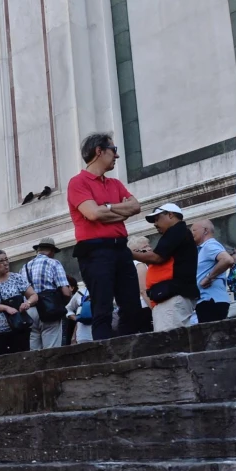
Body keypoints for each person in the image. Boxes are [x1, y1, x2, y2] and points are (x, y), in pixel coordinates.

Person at [67, 132, 144, 340]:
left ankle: (129, 351)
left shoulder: (115, 184)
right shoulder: (78, 182)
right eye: (114, 150)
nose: (117, 156)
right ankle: (105, 355)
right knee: (102, 307)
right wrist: (118, 212)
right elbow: (93, 213)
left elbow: (136, 207)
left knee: (131, 305)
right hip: (95, 251)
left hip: (120, 248)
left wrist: (107, 208)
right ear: (99, 151)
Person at [131, 204, 199, 331]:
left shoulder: (177, 230)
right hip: (170, 297)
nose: (155, 224)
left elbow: (157, 257)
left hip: (173, 297)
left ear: (170, 215)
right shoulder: (177, 233)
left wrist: (129, 254)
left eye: (157, 219)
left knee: (169, 341)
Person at [0, 249, 37, 356]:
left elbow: (33, 295)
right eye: (1, 261)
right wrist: (5, 308)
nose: (5, 263)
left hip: (19, 327)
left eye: (6, 259)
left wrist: (27, 303)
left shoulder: (17, 278)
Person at [22, 237, 72, 350]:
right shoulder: (53, 263)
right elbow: (66, 292)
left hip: (29, 310)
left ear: (38, 250)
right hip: (49, 310)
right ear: (51, 251)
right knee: (51, 350)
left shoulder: (25, 267)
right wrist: (62, 304)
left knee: (34, 352)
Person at [191, 220, 235, 323]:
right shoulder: (202, 249)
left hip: (211, 301)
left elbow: (227, 260)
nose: (191, 233)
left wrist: (209, 277)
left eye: (194, 230)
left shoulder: (209, 245)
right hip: (206, 301)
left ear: (205, 230)